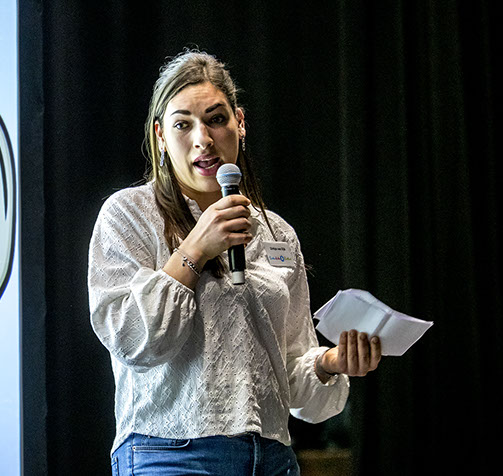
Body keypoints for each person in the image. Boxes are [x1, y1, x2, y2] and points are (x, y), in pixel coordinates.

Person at [87, 49, 381, 475]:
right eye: (183, 124)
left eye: (216, 119)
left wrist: (329, 363)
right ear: (160, 136)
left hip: (272, 458)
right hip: (171, 453)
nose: (203, 139)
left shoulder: (277, 233)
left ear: (240, 123)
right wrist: (195, 249)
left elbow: (291, 380)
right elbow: (132, 340)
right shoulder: (128, 215)